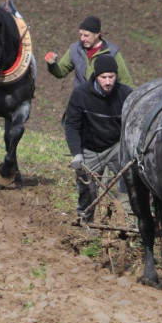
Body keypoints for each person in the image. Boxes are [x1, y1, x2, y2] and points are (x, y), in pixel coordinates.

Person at [63, 53, 133, 224]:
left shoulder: (126, 94)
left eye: (111, 76)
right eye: (104, 77)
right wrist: (76, 154)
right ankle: (84, 222)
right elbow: (71, 125)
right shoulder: (80, 94)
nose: (108, 82)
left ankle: (131, 223)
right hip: (90, 148)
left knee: (128, 183)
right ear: (96, 76)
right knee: (87, 189)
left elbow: (134, 125)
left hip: (116, 146)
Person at [44, 15, 134, 94]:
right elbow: (61, 72)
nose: (82, 39)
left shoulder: (112, 52)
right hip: (80, 102)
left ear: (97, 35)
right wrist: (52, 64)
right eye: (81, 35)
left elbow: (126, 83)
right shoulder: (75, 49)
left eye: (86, 35)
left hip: (104, 105)